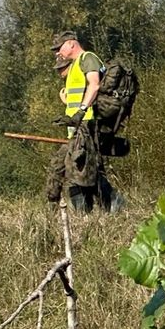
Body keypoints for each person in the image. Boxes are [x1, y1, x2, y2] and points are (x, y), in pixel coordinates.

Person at [44, 30, 111, 213]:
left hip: (88, 125)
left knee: (73, 170)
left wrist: (81, 111)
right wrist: (68, 106)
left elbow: (95, 84)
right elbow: (81, 95)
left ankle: (87, 213)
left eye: (59, 47)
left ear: (71, 44)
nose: (58, 52)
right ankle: (108, 209)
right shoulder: (74, 66)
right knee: (84, 171)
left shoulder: (87, 58)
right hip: (78, 127)